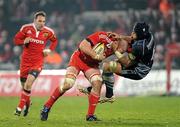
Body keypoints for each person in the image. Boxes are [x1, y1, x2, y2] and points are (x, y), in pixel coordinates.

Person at [40, 31, 128, 121]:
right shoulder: (103, 36)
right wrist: (96, 55)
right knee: (68, 84)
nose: (120, 52)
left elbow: (129, 49)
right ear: (116, 42)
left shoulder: (119, 46)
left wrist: (118, 54)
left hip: (91, 65)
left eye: (123, 51)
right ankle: (46, 107)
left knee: (97, 82)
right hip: (78, 59)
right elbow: (83, 45)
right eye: (120, 49)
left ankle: (90, 116)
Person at [79, 22, 156, 103]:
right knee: (107, 68)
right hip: (139, 62)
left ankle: (109, 96)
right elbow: (132, 38)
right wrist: (120, 36)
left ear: (140, 35)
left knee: (109, 66)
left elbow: (126, 63)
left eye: (135, 32)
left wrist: (115, 49)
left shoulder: (140, 48)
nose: (132, 33)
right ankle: (93, 89)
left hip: (139, 70)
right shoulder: (148, 35)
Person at [14, 11, 58, 116]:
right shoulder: (26, 28)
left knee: (28, 84)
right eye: (39, 21)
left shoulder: (48, 32)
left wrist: (49, 50)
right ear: (35, 20)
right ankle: (28, 105)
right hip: (25, 62)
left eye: (43, 21)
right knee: (25, 87)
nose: (42, 23)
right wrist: (23, 42)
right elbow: (16, 40)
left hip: (37, 62)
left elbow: (54, 41)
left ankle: (19, 108)